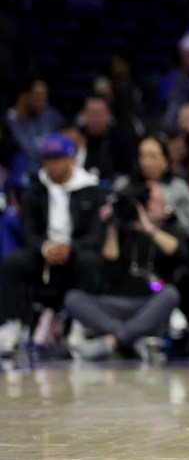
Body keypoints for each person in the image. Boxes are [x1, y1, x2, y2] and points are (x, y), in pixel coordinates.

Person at [0, 135, 106, 355]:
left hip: (76, 251)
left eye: (58, 159)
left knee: (91, 262)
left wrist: (71, 247)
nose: (52, 165)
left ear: (71, 160)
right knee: (11, 264)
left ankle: (82, 325)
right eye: (48, 159)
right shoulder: (34, 190)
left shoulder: (91, 190)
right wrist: (45, 247)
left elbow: (96, 235)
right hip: (44, 252)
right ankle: (11, 325)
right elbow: (29, 231)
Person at [65, 182, 188, 361]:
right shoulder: (121, 228)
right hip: (114, 303)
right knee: (73, 299)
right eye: (147, 201)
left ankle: (111, 341)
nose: (149, 206)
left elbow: (179, 252)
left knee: (170, 294)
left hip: (148, 302)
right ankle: (129, 337)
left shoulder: (170, 229)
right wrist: (113, 225)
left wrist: (148, 228)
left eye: (155, 201)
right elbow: (109, 267)